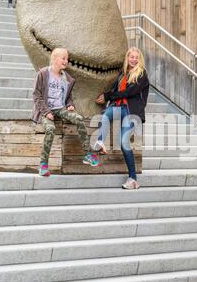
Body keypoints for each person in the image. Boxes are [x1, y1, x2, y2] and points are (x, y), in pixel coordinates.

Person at [32, 48, 100, 177]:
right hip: (45, 110)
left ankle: (88, 154)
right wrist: (46, 112)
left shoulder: (66, 78)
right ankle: (43, 164)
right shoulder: (43, 73)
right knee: (50, 129)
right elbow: (36, 95)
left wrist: (70, 105)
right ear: (54, 58)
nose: (66, 61)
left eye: (67, 59)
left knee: (79, 118)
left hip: (60, 109)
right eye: (63, 58)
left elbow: (68, 96)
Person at [95, 47, 149, 190]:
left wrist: (109, 96)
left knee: (124, 142)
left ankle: (133, 178)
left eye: (136, 57)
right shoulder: (122, 74)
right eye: (131, 57)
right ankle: (100, 142)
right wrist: (106, 96)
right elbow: (115, 90)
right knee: (106, 115)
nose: (134, 59)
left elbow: (131, 92)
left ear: (140, 59)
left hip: (132, 112)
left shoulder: (141, 74)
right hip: (119, 107)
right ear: (127, 58)